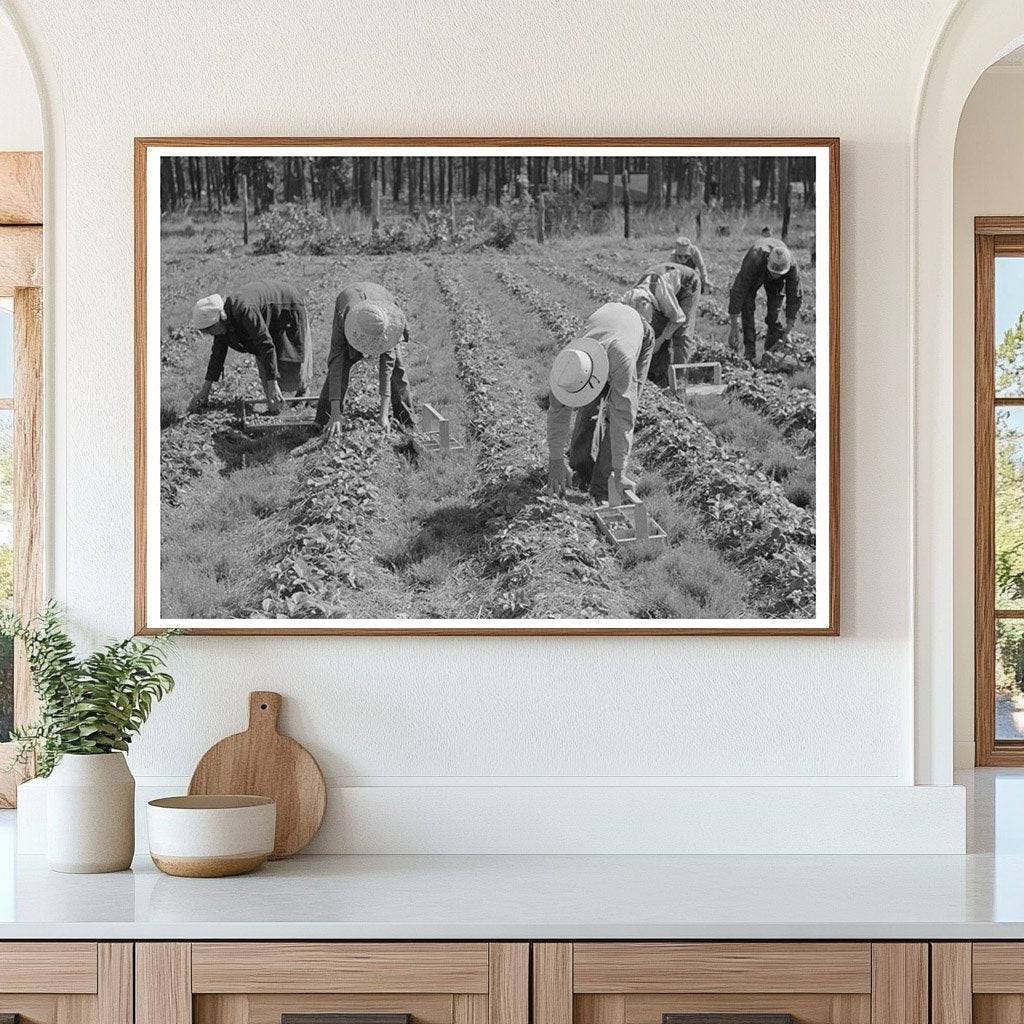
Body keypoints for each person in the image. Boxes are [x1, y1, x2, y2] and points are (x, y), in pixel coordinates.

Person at [547, 302, 653, 504]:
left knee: (616, 413)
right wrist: (555, 460)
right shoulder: (570, 365)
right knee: (589, 407)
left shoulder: (621, 361)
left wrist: (619, 472)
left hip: (635, 330)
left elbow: (623, 417)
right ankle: (582, 470)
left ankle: (603, 489)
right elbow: (557, 412)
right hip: (604, 329)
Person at [189, 281, 313, 414]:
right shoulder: (222, 324)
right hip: (264, 317)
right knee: (271, 389)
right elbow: (217, 355)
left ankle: (303, 394)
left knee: (290, 367)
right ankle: (277, 407)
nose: (211, 334)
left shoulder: (244, 310)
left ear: (220, 319)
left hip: (286, 306)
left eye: (210, 331)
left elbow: (265, 345)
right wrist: (205, 390)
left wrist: (273, 383)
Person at [313, 282, 416, 439]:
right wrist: (335, 414)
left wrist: (383, 415)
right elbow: (336, 364)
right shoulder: (344, 318)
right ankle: (326, 419)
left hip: (381, 301)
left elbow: (386, 369)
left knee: (396, 368)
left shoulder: (387, 326)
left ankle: (405, 420)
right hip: (349, 299)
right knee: (341, 363)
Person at [622, 261, 701, 388]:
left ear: (649, 304)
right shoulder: (630, 297)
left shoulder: (660, 293)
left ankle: (678, 382)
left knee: (681, 334)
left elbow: (679, 319)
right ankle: (655, 374)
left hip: (688, 284)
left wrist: (660, 341)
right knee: (655, 331)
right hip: (666, 284)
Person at [727, 238, 802, 364]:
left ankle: (770, 354)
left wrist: (788, 329)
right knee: (747, 306)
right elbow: (739, 290)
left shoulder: (791, 265)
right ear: (769, 261)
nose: (775, 276)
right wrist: (734, 326)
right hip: (759, 269)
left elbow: (795, 295)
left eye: (779, 273)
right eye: (774, 272)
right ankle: (749, 353)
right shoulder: (755, 258)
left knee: (774, 312)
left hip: (777, 275)